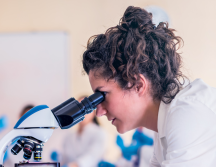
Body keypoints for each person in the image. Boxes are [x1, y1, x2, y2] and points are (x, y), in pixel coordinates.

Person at [82, 6, 216, 166]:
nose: (99, 111)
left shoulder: (188, 112)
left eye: (102, 96)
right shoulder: (163, 124)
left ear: (138, 85)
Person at [61, 96, 107, 167]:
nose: (81, 111)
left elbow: (91, 157)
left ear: (93, 112)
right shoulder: (69, 136)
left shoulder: (99, 133)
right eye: (78, 109)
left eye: (85, 108)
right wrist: (58, 157)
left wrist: (72, 165)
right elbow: (65, 158)